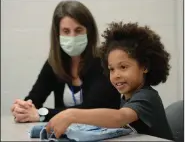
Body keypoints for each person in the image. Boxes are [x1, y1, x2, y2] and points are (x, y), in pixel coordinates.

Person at [46, 21, 174, 140]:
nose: (116, 75)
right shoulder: (126, 98)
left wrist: (71, 115)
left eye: (123, 67)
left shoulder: (147, 97)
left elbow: (119, 118)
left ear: (145, 66)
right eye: (111, 69)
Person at [11, 0, 121, 123]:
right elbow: (34, 99)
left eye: (78, 30)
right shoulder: (54, 63)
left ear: (89, 32)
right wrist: (22, 109)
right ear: (57, 34)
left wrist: (43, 114)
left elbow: (91, 109)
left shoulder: (103, 62)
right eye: (66, 31)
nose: (72, 37)